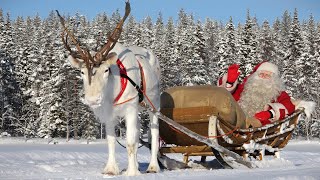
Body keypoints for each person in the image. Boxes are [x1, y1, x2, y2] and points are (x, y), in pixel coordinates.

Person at [217, 61, 295, 126]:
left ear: (274, 80)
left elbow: (289, 106)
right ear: (255, 76)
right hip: (235, 121)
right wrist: (230, 82)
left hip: (259, 126)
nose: (264, 77)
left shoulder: (279, 93)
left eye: (268, 75)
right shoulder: (243, 89)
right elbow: (226, 96)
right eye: (261, 74)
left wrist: (270, 113)